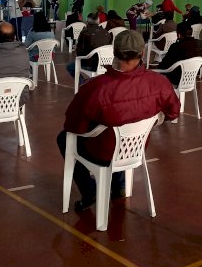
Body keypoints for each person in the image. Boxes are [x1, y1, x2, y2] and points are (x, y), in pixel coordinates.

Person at [57, 30, 181, 210]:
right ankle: (118, 186)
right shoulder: (160, 82)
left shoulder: (95, 88)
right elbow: (173, 113)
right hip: (136, 148)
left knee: (64, 138)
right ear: (142, 52)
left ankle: (89, 190)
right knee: (119, 131)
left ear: (114, 52)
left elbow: (74, 126)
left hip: (102, 152)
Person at [66, 13, 111, 85]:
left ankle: (83, 83)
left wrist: (76, 48)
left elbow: (79, 52)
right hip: (106, 63)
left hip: (91, 64)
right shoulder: (106, 32)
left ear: (87, 22)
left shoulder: (85, 33)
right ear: (98, 21)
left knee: (70, 67)